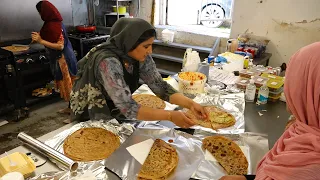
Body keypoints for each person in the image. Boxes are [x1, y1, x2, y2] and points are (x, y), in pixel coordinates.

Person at [70, 18, 207, 127]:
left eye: (151, 45)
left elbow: (160, 86)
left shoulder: (139, 56)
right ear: (129, 43)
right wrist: (170, 116)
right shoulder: (108, 62)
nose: (150, 51)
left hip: (117, 105)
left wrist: (191, 104)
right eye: (146, 46)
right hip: (93, 109)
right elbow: (128, 108)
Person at [220, 42, 320, 180]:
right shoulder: (302, 130)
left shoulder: (308, 170)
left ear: (311, 92)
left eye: (292, 80)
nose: (287, 88)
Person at [31, 1, 77, 116]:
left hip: (63, 59)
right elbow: (48, 35)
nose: (40, 14)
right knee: (67, 86)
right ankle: (71, 108)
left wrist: (41, 41)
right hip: (59, 58)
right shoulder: (50, 23)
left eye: (40, 11)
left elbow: (60, 46)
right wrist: (39, 37)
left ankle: (76, 113)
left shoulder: (54, 25)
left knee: (69, 86)